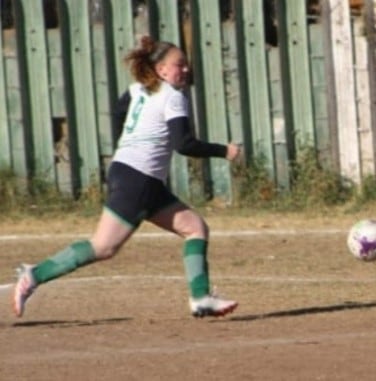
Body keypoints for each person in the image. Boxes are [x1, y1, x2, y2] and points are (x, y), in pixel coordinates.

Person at [12, 36, 240, 319]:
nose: (185, 69)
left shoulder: (137, 89)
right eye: (178, 65)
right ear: (161, 70)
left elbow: (119, 113)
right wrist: (224, 150)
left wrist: (130, 142)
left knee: (195, 227)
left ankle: (201, 298)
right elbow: (185, 145)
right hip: (139, 179)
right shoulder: (173, 97)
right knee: (103, 246)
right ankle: (35, 275)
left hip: (134, 174)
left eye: (185, 64)